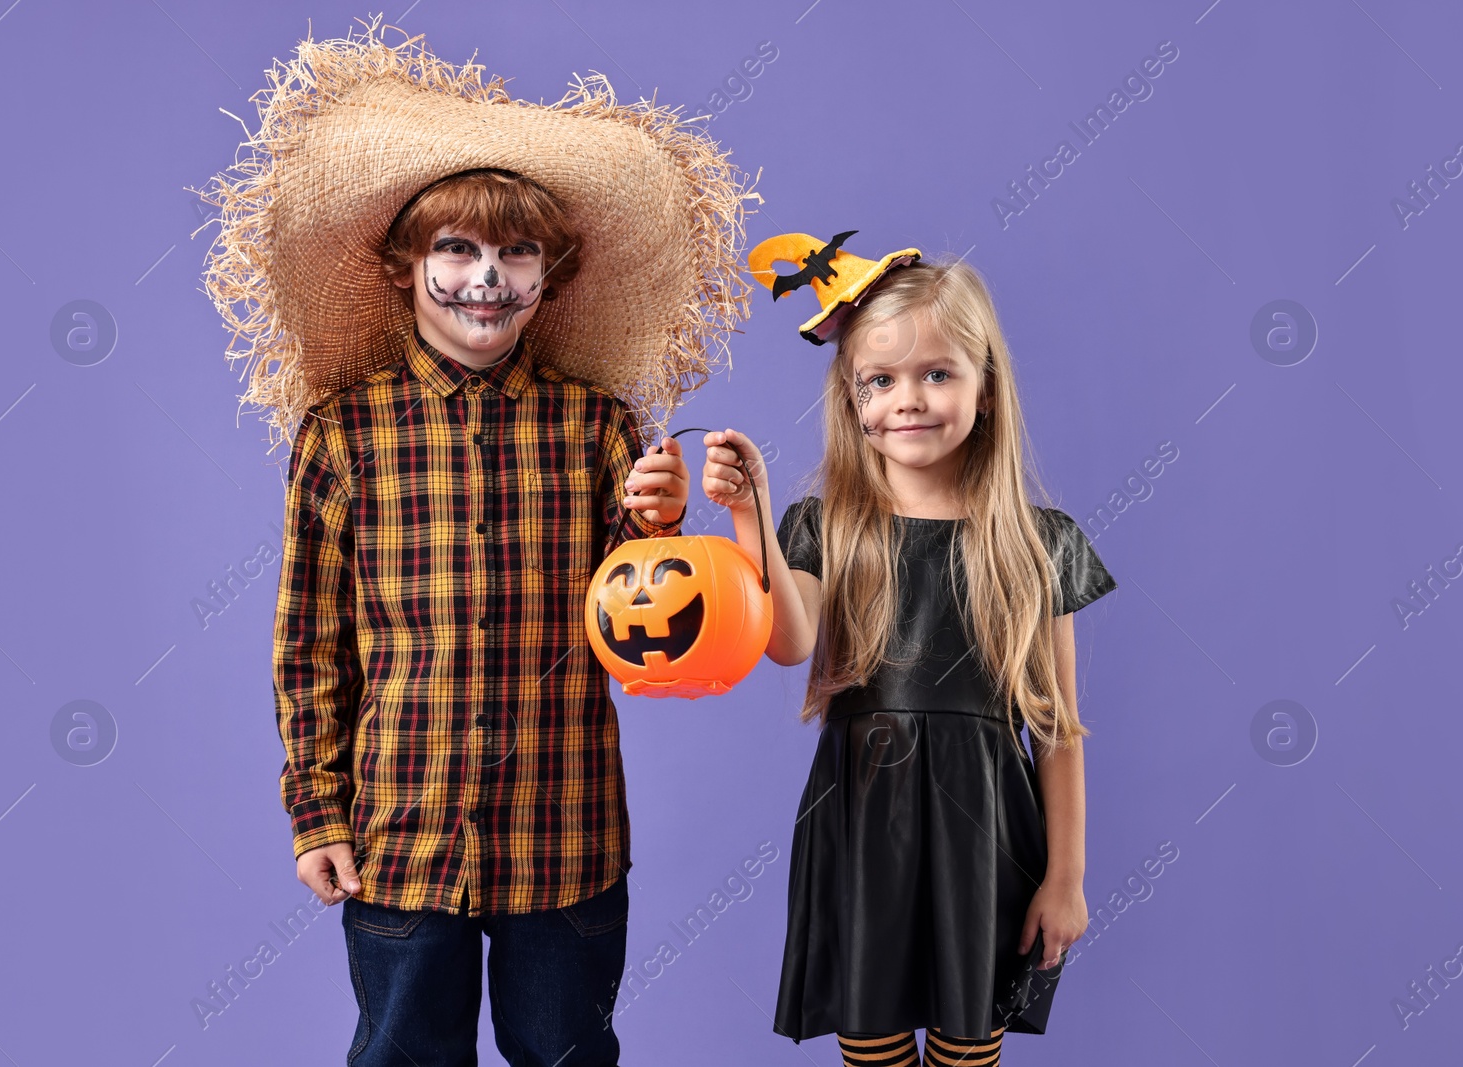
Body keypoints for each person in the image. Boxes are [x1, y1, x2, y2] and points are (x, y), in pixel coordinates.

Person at [195, 22, 757, 1066]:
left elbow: (639, 623)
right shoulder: (342, 431)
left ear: (551, 274)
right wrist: (315, 809)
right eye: (456, 249)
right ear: (406, 269)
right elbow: (308, 640)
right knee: (404, 1051)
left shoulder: (598, 428)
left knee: (568, 1051)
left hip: (568, 834)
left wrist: (659, 522)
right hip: (400, 838)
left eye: (515, 253)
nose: (484, 277)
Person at [701, 232, 1118, 1066]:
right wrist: (750, 518)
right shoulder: (824, 528)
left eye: (938, 373)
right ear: (853, 400)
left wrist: (1065, 877)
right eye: (881, 380)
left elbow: (1061, 727)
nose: (909, 399)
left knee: (970, 1042)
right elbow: (790, 644)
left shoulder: (1039, 543)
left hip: (988, 833)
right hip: (864, 822)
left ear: (986, 388)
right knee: (876, 1041)